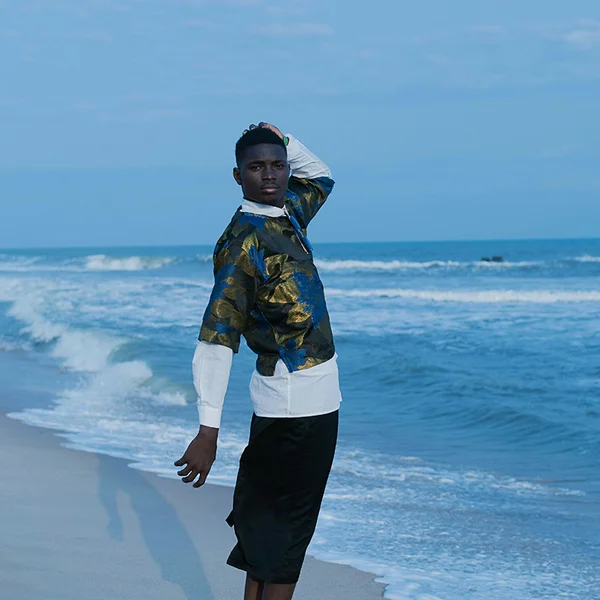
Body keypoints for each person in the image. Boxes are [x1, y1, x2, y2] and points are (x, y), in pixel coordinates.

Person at [175, 122, 341, 600]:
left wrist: (280, 136)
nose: (269, 175)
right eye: (256, 167)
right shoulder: (243, 243)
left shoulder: (287, 212)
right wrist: (208, 430)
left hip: (301, 398)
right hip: (297, 404)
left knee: (269, 532)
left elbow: (322, 175)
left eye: (277, 165)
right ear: (237, 175)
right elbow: (217, 337)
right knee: (286, 541)